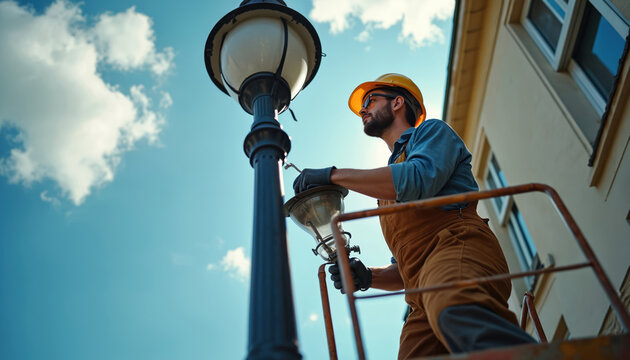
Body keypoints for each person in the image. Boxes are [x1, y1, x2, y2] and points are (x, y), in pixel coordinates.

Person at [293, 74, 535, 359]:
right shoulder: (386, 187)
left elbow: (417, 179)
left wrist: (333, 175)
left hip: (458, 247)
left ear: (397, 102)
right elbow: (406, 269)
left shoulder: (431, 133)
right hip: (421, 292)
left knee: (456, 308)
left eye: (370, 100)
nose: (363, 110)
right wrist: (368, 276)